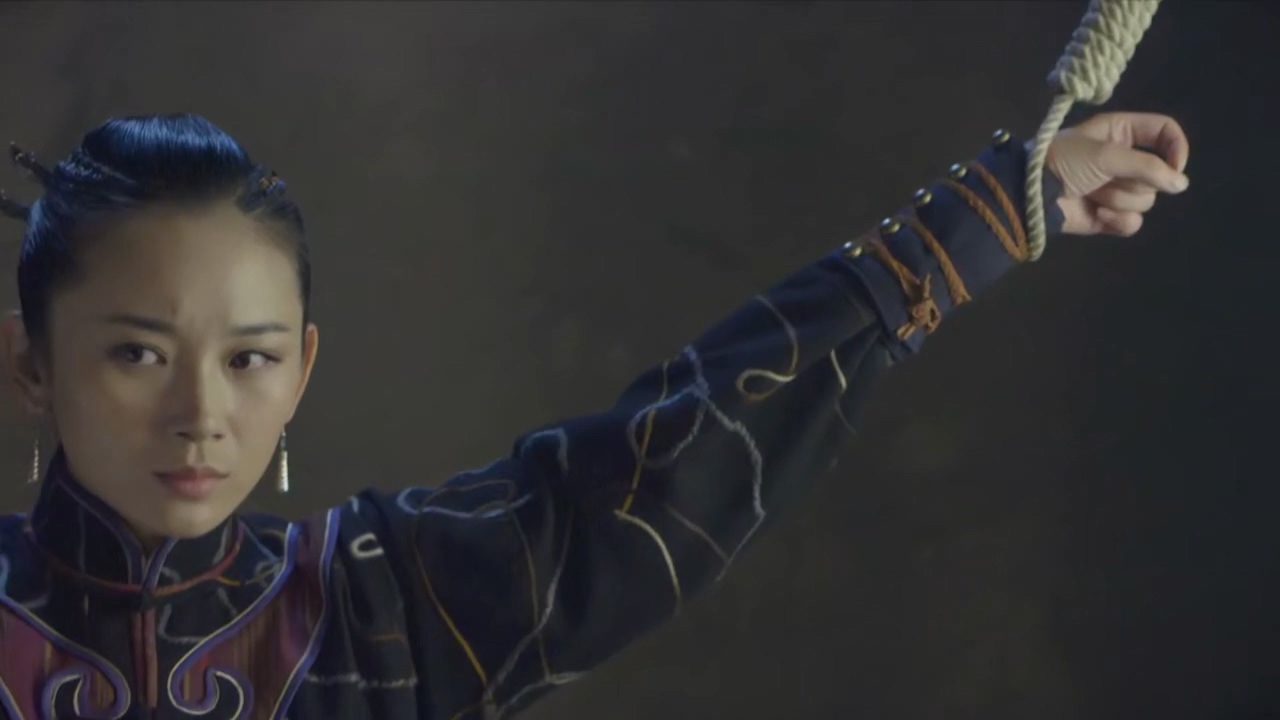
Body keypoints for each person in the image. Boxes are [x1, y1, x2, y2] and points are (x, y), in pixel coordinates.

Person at [0, 109, 1189, 720]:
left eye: (249, 359)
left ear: (301, 370)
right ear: (30, 363)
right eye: (137, 354)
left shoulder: (375, 607)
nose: (201, 414)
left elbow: (670, 462)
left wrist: (995, 207)